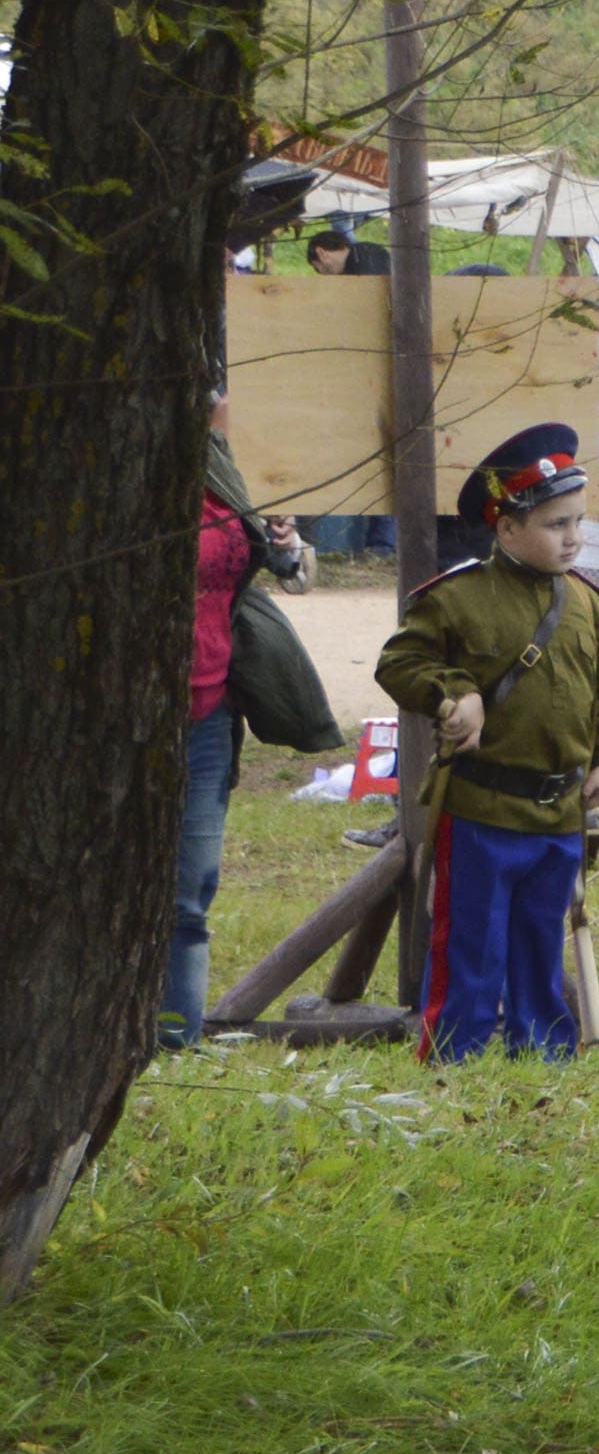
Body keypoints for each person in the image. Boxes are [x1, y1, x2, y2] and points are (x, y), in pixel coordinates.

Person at [371, 426, 599, 1060]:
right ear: (506, 528)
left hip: (559, 812)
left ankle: (542, 1050)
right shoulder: (458, 598)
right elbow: (399, 664)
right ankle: (458, 1052)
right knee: (471, 943)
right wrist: (454, 692)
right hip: (483, 810)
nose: (571, 538)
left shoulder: (586, 605)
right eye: (552, 524)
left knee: (541, 941)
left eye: (577, 521)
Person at [169, 396, 318, 1042]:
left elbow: (296, 573)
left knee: (190, 891)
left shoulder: (225, 460)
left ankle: (174, 1039)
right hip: (118, 725)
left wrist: (285, 545)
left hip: (207, 712)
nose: (226, 404)